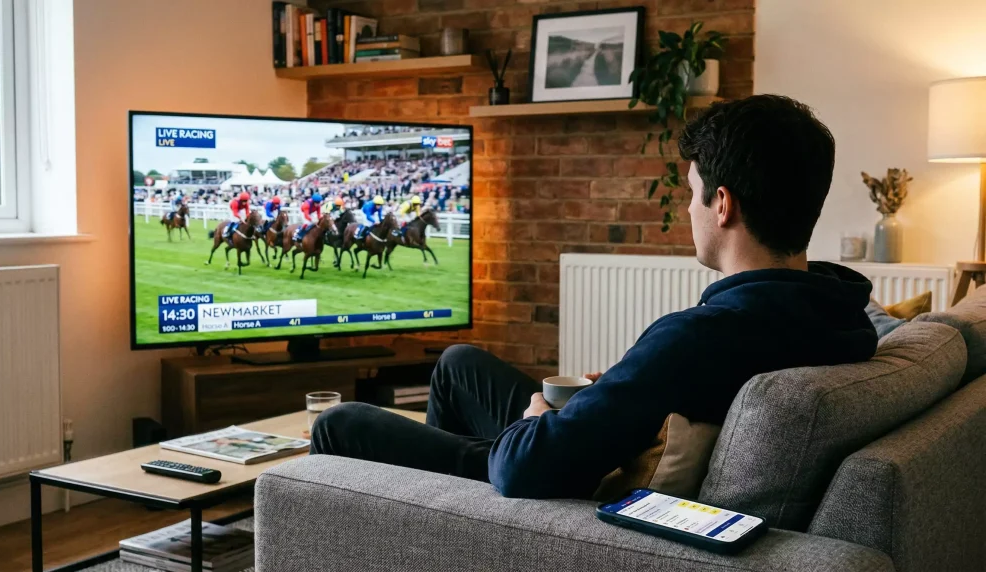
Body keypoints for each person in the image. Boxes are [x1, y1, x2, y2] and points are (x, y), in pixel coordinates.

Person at [310, 95, 880, 500]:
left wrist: (532, 421)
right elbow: (666, 390)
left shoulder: (700, 334)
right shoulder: (844, 311)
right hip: (602, 435)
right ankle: (437, 523)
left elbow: (525, 469)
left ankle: (463, 513)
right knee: (458, 365)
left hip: (560, 475)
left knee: (341, 423)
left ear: (723, 204)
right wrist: (614, 387)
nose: (688, 210)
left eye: (691, 193)